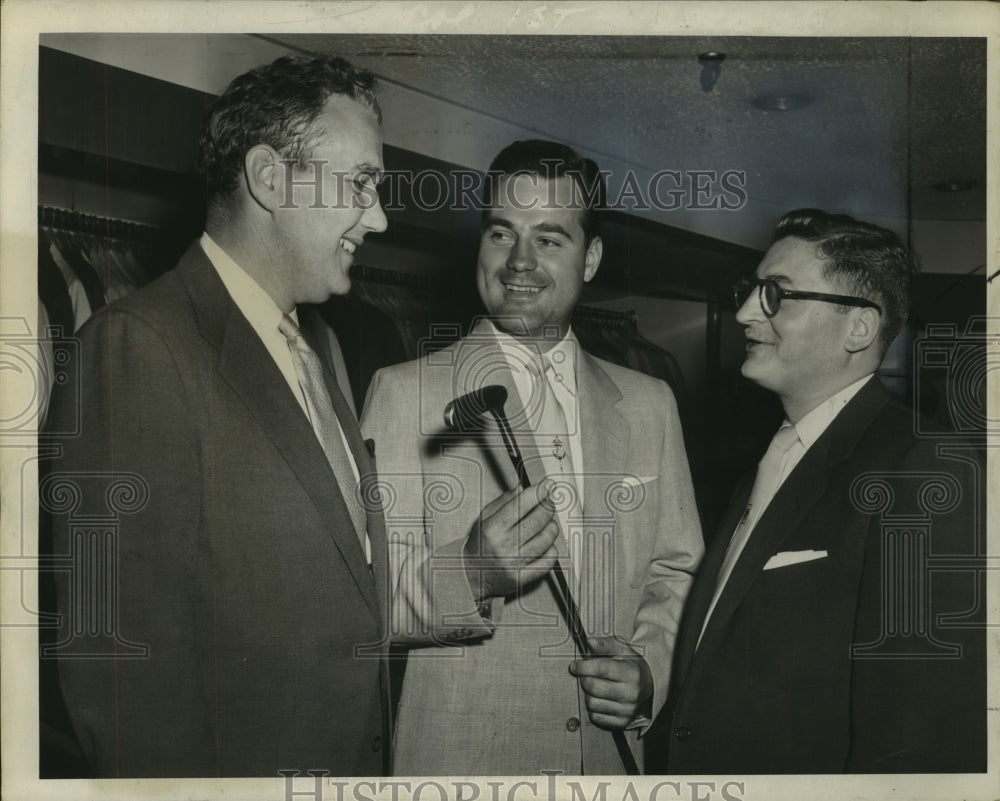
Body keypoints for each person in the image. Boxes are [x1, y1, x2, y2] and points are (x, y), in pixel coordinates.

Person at [44, 55, 391, 777]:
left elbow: (338, 592)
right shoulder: (138, 346)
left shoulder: (316, 346)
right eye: (361, 184)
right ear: (269, 177)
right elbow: (121, 681)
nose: (380, 217)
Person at [360, 139, 703, 775]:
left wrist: (648, 669)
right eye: (501, 233)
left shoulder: (649, 402)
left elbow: (677, 570)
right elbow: (360, 598)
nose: (519, 261)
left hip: (611, 763)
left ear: (591, 257)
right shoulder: (402, 393)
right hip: (464, 768)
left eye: (549, 238)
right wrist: (471, 572)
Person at [646, 209, 986, 773]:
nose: (745, 312)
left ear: (859, 327)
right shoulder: (772, 455)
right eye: (751, 290)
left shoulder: (922, 466)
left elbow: (925, 734)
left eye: (776, 294)